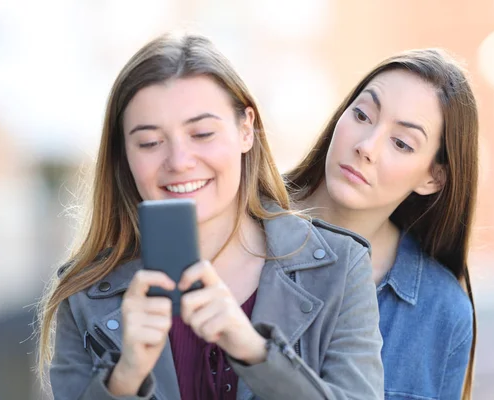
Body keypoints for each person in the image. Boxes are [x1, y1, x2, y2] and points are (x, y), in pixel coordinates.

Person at [37, 32, 384, 400]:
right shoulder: (85, 295)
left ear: (246, 129)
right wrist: (126, 376)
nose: (179, 162)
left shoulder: (340, 269)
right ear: (124, 155)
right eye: (150, 142)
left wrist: (255, 352)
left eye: (202, 133)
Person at [285, 49, 477, 400]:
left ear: (433, 179)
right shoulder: (241, 218)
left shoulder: (442, 311)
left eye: (402, 143)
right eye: (361, 115)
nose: (366, 147)